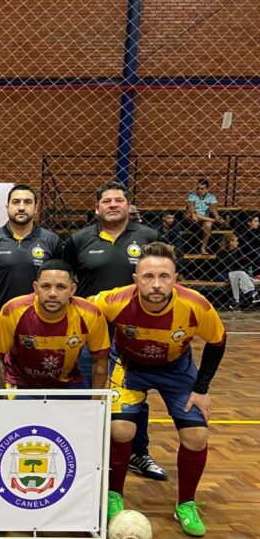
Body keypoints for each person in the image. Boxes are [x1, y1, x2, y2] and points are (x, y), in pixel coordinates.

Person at [92, 242, 226, 537]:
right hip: (128, 367)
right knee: (121, 431)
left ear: (176, 279)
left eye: (164, 277)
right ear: (135, 279)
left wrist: (201, 389)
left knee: (196, 435)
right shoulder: (115, 300)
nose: (156, 284)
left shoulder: (196, 305)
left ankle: (186, 504)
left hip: (176, 370)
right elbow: (83, 311)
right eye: (148, 277)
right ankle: (114, 495)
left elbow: (217, 342)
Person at [63, 180, 166, 482]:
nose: (112, 205)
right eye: (106, 201)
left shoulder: (148, 238)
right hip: (89, 334)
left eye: (118, 200)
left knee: (135, 394)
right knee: (87, 392)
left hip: (135, 334)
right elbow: (68, 283)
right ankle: (84, 450)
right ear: (96, 208)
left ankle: (139, 452)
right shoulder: (79, 240)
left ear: (128, 206)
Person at [0, 260, 110, 393]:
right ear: (35, 288)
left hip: (68, 384)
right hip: (21, 384)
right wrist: (3, 401)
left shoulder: (91, 314)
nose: (52, 293)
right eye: (45, 286)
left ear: (72, 289)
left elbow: (100, 362)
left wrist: (95, 404)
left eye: (61, 287)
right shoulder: (12, 310)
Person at [0, 184, 62, 338]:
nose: (21, 207)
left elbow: (60, 283)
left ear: (36, 208)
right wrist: (1, 309)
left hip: (40, 322)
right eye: (16, 202)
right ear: (7, 207)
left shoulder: (52, 241)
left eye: (27, 202)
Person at [214, 233, 260, 310]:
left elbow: (240, 267)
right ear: (230, 242)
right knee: (240, 274)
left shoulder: (236, 252)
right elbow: (228, 267)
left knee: (238, 277)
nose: (238, 243)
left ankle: (235, 303)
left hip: (235, 275)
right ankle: (252, 294)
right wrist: (247, 277)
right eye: (236, 241)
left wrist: (247, 276)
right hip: (221, 275)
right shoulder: (221, 252)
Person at [185, 178, 222, 254]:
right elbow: (191, 205)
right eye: (198, 188)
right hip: (192, 217)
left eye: (202, 189)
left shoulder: (211, 197)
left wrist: (217, 217)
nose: (199, 190)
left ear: (207, 189)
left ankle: (203, 248)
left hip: (204, 219)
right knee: (193, 215)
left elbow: (213, 209)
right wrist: (193, 213)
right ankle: (213, 220)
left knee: (208, 224)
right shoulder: (191, 195)